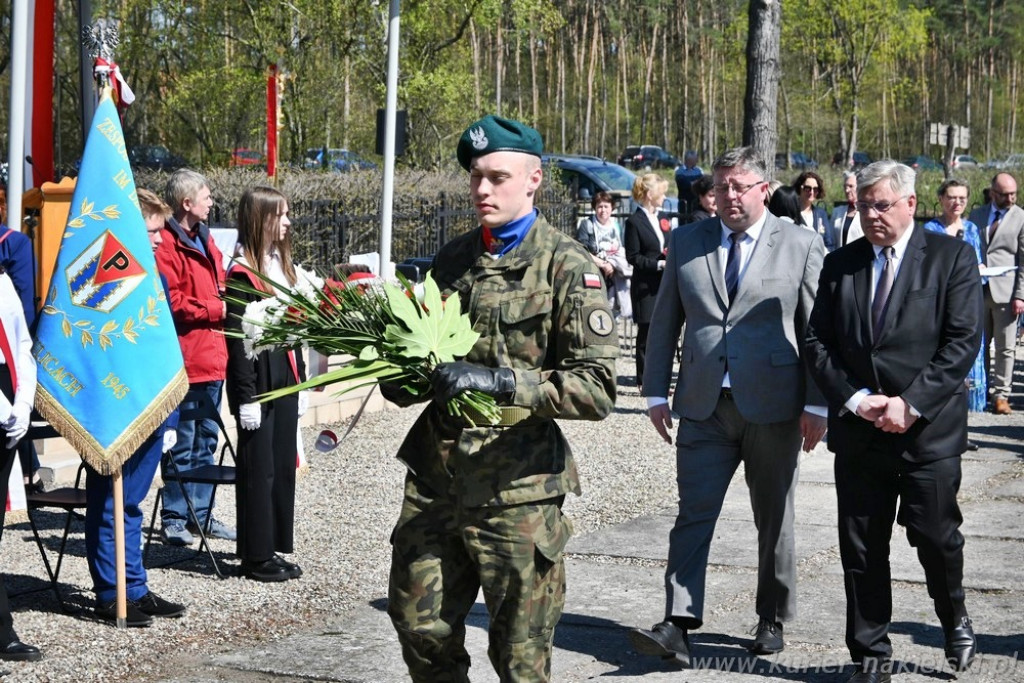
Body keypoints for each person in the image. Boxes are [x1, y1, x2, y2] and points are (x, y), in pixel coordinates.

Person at [381, 114, 617, 681]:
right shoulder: (453, 260)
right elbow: (423, 353)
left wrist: (505, 383)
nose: (483, 189)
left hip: (519, 493)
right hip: (439, 481)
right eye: (476, 177)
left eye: (498, 177)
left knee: (519, 653)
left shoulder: (568, 267)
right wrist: (398, 370)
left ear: (534, 179)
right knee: (419, 625)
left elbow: (597, 388)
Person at [629, 146, 827, 667]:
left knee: (774, 517)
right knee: (693, 513)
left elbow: (816, 332)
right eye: (721, 188)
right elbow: (665, 319)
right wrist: (654, 392)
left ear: (764, 189)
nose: (729, 197)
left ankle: (772, 615)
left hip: (775, 406)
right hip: (703, 403)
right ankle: (678, 621)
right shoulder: (689, 240)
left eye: (740, 187)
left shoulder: (801, 245)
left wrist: (818, 404)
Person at [803, 160, 982, 682]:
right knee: (861, 547)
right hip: (861, 430)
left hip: (927, 432)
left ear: (910, 203)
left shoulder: (951, 258)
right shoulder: (842, 264)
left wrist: (911, 403)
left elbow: (962, 341)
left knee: (935, 535)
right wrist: (857, 400)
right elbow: (818, 343)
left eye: (881, 205)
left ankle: (954, 618)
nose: (871, 215)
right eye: (863, 205)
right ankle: (870, 654)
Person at [86, 189, 188, 626]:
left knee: (132, 504)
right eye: (151, 231)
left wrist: (169, 413)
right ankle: (111, 592)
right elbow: (93, 342)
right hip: (115, 407)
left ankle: (135, 587)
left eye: (162, 232)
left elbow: (160, 348)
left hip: (149, 405)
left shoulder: (154, 277)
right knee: (112, 503)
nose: (161, 240)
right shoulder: (99, 277)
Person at [224, 186, 305, 583]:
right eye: (282, 215)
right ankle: (256, 555)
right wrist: (245, 396)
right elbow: (237, 338)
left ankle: (273, 545)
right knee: (259, 469)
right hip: (258, 374)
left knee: (280, 464)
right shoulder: (242, 271)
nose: (288, 222)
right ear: (263, 220)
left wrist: (300, 381)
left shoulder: (280, 264)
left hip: (283, 371)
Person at [154, 169, 236, 545]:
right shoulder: (167, 244)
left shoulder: (207, 240)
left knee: (207, 440)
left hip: (213, 356)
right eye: (206, 197)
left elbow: (219, 285)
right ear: (187, 203)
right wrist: (214, 310)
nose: (211, 202)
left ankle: (201, 516)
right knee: (181, 441)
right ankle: (174, 516)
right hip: (188, 358)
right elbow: (169, 301)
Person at [0, 266, 42, 662]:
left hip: (7, 404)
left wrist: (24, 403)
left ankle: (1, 631)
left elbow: (22, 345)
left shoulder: (2, 281)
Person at [925, 179, 986, 414]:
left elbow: (978, 260)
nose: (957, 202)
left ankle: (966, 412)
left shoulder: (971, 229)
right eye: (952, 197)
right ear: (941, 199)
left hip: (969, 300)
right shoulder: (931, 230)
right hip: (940, 302)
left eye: (962, 198)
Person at [967, 172, 1023, 415]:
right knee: (979, 345)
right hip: (978, 289)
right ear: (992, 193)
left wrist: (1020, 295)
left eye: (1013, 194)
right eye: (1004, 194)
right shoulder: (977, 215)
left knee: (1005, 347)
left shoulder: (1021, 217)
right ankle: (982, 390)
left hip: (1007, 292)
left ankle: (1001, 394)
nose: (1010, 198)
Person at [624, 173, 670, 389]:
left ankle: (660, 378)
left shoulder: (663, 218)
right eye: (662, 193)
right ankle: (644, 379)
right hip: (646, 286)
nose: (665, 197)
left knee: (663, 334)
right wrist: (659, 264)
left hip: (663, 284)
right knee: (647, 336)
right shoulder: (634, 222)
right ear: (650, 194)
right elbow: (633, 257)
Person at [576, 191, 632, 319]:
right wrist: (603, 264)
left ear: (612, 208)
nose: (603, 210)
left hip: (615, 275)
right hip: (595, 273)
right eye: (599, 206)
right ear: (595, 208)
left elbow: (622, 248)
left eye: (606, 206)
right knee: (596, 309)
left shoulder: (616, 226)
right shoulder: (587, 225)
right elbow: (582, 250)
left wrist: (612, 264)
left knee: (612, 311)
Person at [794, 171, 835, 250]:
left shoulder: (821, 214)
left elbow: (829, 243)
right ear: (800, 188)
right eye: (807, 188)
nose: (811, 192)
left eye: (815, 189)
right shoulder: (792, 212)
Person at [830, 171, 863, 248]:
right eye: (845, 186)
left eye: (851, 186)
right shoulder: (837, 211)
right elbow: (831, 239)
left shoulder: (866, 212)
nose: (847, 190)